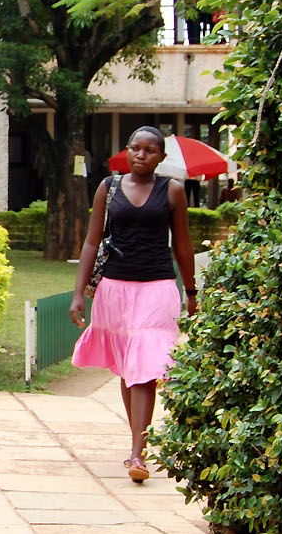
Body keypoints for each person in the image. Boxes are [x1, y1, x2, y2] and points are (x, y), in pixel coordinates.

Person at [69, 126, 198, 483]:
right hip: (115, 288)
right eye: (135, 148)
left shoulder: (171, 190)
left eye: (150, 150)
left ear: (161, 157)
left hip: (157, 287)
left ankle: (137, 453)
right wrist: (79, 294)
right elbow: (92, 242)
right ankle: (136, 444)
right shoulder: (108, 188)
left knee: (145, 367)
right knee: (130, 368)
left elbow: (183, 246)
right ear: (127, 151)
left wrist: (191, 292)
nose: (141, 155)